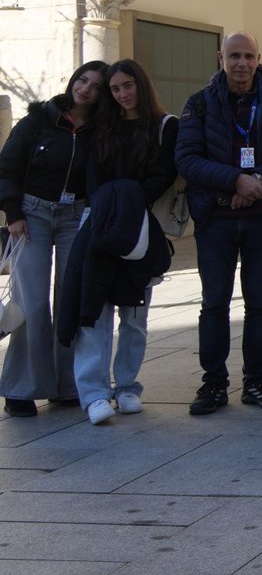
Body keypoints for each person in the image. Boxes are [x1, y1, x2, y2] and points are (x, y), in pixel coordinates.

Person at [176, 32, 262, 415]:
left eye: (248, 56)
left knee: (260, 304)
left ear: (258, 58)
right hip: (215, 218)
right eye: (234, 55)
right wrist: (234, 180)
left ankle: (256, 380)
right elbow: (186, 158)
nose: (241, 63)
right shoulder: (199, 104)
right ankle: (213, 384)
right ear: (221, 57)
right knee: (214, 304)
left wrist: (258, 182)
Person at [71, 59, 176, 423]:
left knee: (135, 312)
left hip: (140, 227)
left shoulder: (165, 126)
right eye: (115, 89)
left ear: (141, 84)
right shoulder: (103, 128)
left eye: (127, 86)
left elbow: (163, 174)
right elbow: (93, 178)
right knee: (96, 308)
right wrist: (112, 205)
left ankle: (128, 385)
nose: (122, 94)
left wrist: (129, 201)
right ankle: (94, 393)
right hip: (101, 225)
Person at [0, 60, 105, 416]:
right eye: (82, 80)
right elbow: (7, 166)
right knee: (31, 303)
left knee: (69, 299)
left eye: (94, 86)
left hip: (76, 216)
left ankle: (67, 385)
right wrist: (13, 213)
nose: (85, 89)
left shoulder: (100, 130)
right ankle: (22, 387)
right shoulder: (39, 119)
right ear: (73, 81)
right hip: (32, 216)